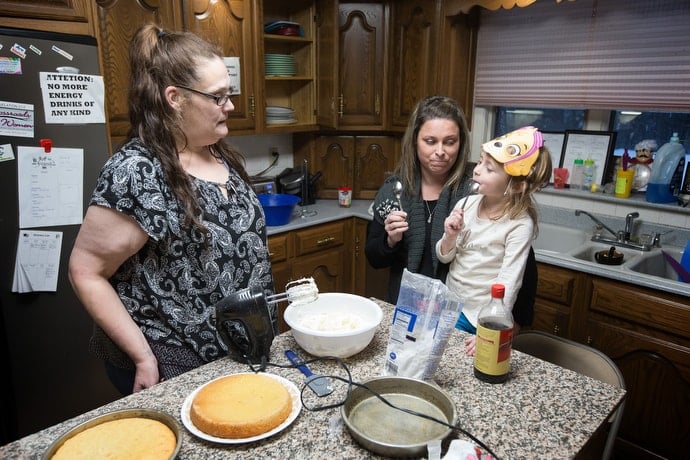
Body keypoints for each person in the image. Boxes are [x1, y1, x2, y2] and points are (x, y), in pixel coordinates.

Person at [68, 24, 274, 395]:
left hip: (236, 356)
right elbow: (85, 272)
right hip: (175, 365)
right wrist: (144, 358)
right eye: (218, 97)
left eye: (229, 94)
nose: (230, 106)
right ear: (175, 97)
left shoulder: (217, 151)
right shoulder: (137, 171)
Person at [365, 95, 538, 329]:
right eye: (430, 141)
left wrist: (514, 322)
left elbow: (521, 265)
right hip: (406, 310)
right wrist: (390, 240)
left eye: (449, 142)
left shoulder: (479, 188)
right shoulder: (394, 191)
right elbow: (374, 257)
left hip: (462, 317)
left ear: (461, 143)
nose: (440, 151)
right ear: (415, 141)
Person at [436, 126, 552, 354]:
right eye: (480, 162)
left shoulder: (519, 224)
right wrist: (450, 235)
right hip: (448, 305)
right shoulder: (465, 205)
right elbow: (444, 256)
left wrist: (491, 329)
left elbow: (510, 282)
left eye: (489, 169)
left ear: (517, 185)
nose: (477, 171)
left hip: (478, 316)